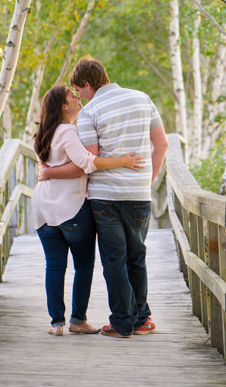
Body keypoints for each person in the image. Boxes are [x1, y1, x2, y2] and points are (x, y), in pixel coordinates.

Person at [41, 57, 168, 338]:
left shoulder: (90, 112)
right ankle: (142, 320)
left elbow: (92, 159)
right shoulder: (142, 98)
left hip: (105, 196)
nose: (80, 98)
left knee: (114, 259)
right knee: (137, 256)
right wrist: (148, 179)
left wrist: (49, 172)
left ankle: (122, 322)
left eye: (79, 91)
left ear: (87, 84)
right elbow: (162, 144)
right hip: (138, 193)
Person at [32, 85, 144, 336]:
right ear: (63, 106)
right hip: (71, 208)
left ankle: (56, 323)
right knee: (83, 265)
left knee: (54, 265)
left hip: (43, 208)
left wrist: (49, 172)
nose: (78, 98)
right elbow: (86, 164)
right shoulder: (68, 131)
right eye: (73, 97)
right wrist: (123, 161)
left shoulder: (42, 133)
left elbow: (50, 170)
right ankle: (78, 320)